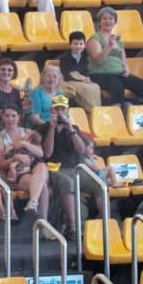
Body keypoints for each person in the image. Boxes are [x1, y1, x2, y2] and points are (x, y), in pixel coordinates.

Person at [41, 94, 109, 230]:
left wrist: (71, 130)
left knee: (100, 185)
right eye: (56, 109)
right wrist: (52, 129)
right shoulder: (44, 128)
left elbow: (82, 150)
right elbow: (47, 153)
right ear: (51, 111)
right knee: (68, 183)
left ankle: (106, 224)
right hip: (55, 169)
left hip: (75, 168)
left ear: (67, 111)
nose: (60, 113)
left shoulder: (74, 128)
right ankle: (73, 227)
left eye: (62, 109)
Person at [87, 5, 143, 112]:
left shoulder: (117, 39)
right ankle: (117, 114)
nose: (108, 21)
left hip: (118, 73)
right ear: (99, 22)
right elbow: (98, 60)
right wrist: (108, 46)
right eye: (104, 19)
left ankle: (140, 109)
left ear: (115, 22)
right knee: (117, 86)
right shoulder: (94, 39)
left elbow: (122, 56)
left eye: (111, 19)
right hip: (99, 74)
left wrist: (126, 66)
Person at [58, 31, 102, 111]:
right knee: (86, 89)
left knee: (95, 87)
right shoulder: (64, 58)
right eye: (75, 44)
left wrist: (87, 77)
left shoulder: (85, 57)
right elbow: (66, 75)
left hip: (82, 80)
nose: (78, 46)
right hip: (69, 81)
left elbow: (85, 71)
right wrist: (80, 79)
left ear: (84, 45)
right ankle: (90, 109)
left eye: (81, 44)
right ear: (70, 45)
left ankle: (95, 110)